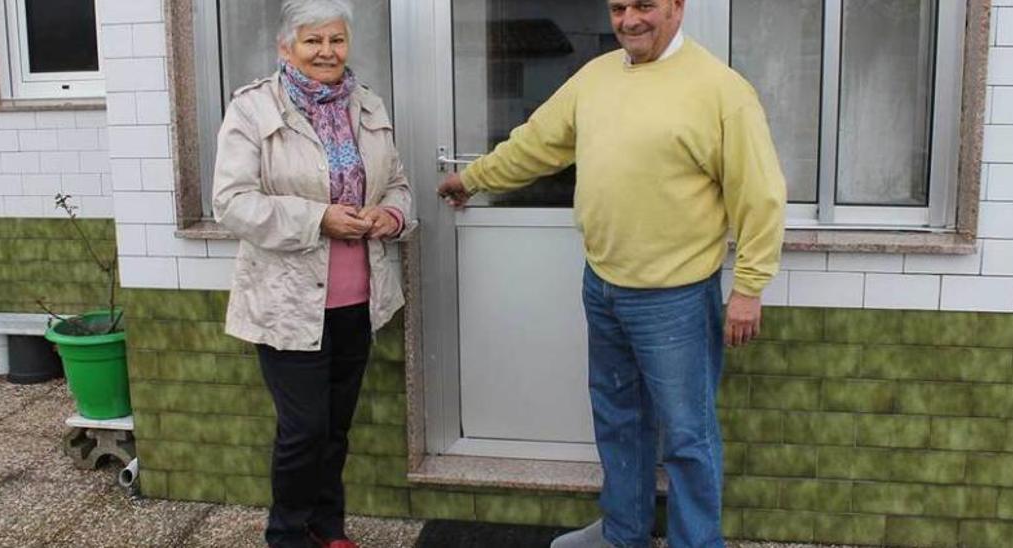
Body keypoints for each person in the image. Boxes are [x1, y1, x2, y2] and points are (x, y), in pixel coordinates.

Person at [437, 0, 785, 546]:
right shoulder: (596, 78)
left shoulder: (722, 91)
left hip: (676, 299)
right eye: (619, 7)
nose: (629, 19)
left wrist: (749, 286)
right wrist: (475, 178)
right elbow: (538, 142)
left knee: (689, 438)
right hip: (603, 286)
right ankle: (624, 533)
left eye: (644, 5)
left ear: (676, 7)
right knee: (619, 421)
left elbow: (760, 195)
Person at [212, 1, 414, 546]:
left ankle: (328, 528)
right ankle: (286, 535)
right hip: (288, 304)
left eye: (337, 40)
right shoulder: (254, 110)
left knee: (335, 429)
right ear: (286, 48)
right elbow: (231, 203)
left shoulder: (368, 105)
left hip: (358, 298)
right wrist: (318, 217)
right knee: (303, 431)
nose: (327, 51)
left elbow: (397, 183)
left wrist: (390, 214)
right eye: (313, 41)